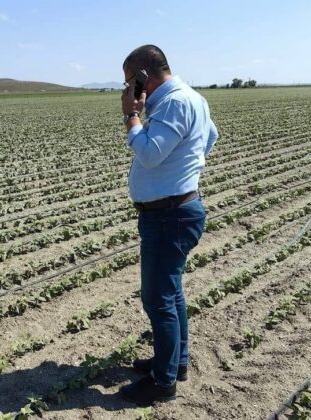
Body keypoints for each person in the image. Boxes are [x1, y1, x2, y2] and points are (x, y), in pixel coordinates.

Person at [118, 45, 219, 406]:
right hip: (175, 211)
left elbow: (148, 153)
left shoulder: (175, 102)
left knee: (157, 298)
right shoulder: (192, 98)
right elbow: (211, 138)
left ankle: (163, 383)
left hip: (168, 216)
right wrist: (185, 168)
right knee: (171, 292)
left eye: (130, 80)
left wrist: (132, 117)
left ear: (144, 75)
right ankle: (176, 363)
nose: (128, 88)